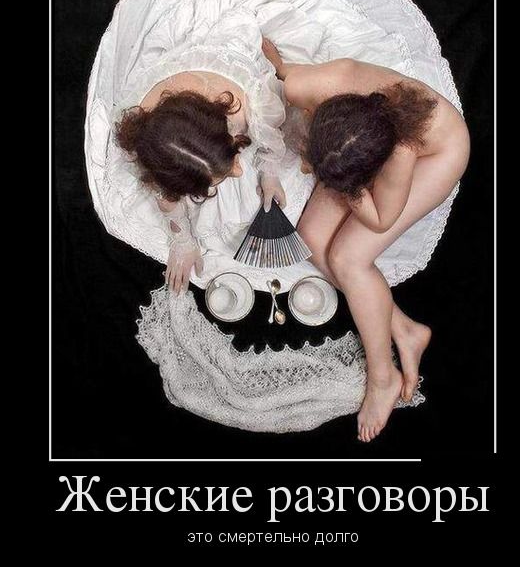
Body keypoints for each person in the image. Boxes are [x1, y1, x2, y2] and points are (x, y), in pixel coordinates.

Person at [262, 38, 470, 443]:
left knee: (348, 258)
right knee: (311, 237)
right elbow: (282, 72)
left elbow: (380, 218)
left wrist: (349, 188)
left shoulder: (402, 152)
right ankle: (404, 329)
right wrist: (270, 60)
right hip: (355, 145)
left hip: (438, 155)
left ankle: (383, 376)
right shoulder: (320, 84)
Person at [115, 69, 286, 294]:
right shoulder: (155, 155)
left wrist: (269, 173)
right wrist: (183, 241)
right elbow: (167, 197)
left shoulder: (244, 110)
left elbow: (271, 132)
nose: (239, 172)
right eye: (216, 182)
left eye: (235, 154)